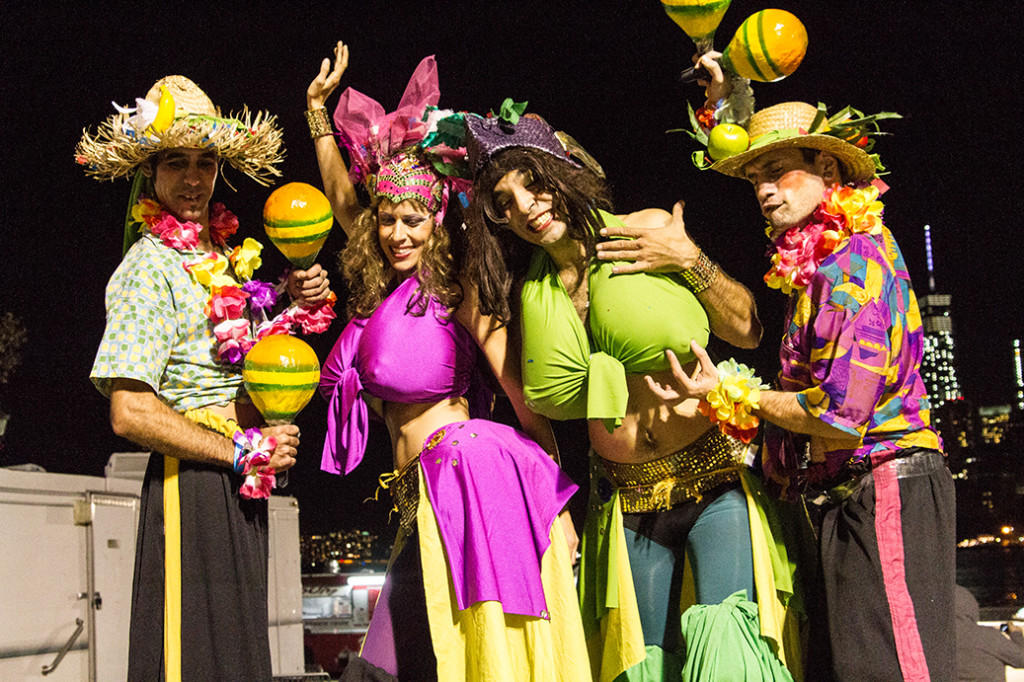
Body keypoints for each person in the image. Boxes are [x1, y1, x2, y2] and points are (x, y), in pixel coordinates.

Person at [632, 52, 957, 681]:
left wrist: (732, 393)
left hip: (883, 488)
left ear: (828, 167)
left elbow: (836, 416)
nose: (763, 190)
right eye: (756, 178)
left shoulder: (849, 268)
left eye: (778, 172)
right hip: (840, 497)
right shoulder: (818, 263)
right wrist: (731, 100)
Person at [465, 104, 805, 681]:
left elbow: (748, 328)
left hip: (713, 480)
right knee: (640, 668)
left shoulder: (644, 228)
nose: (526, 207)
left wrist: (690, 258)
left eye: (533, 184)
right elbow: (531, 409)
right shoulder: (530, 296)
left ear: (562, 170)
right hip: (625, 501)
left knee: (728, 648)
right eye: (505, 203)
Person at [306, 43, 589, 681]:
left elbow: (521, 396)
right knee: (420, 662)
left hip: (463, 480)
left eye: (413, 220)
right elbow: (340, 199)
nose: (397, 233)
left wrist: (555, 506)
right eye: (387, 220)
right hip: (414, 496)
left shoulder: (454, 291)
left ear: (437, 221)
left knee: (391, 664)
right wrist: (317, 118)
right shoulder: (380, 291)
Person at [79, 75, 333, 681]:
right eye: (175, 162)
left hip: (230, 476)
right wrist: (241, 451)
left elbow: (226, 362)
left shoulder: (213, 257)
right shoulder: (148, 266)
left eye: (206, 162)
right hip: (190, 481)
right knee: (199, 662)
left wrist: (290, 305)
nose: (193, 178)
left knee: (236, 658)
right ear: (150, 173)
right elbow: (130, 410)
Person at [955, 585, 1024, 681]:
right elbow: (1021, 660)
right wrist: (1017, 634)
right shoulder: (989, 637)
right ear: (971, 606)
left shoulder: (931, 640)